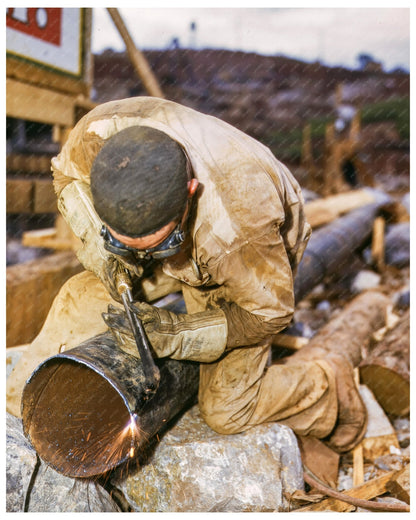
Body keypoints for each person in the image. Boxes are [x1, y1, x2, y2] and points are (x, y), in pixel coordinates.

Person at [6, 97, 366, 452]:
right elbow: (65, 174)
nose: (143, 257)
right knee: (81, 296)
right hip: (182, 227)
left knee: (227, 409)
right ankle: (15, 410)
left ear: (191, 191)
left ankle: (326, 386)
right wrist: (102, 249)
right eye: (126, 243)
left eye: (156, 244)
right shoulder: (98, 134)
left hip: (239, 259)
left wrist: (178, 333)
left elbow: (269, 314)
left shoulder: (241, 227)